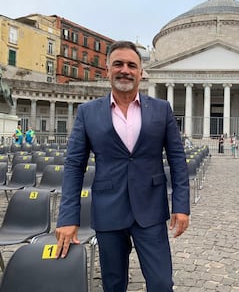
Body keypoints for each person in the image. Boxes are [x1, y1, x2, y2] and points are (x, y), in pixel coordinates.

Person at [55, 41, 190, 292]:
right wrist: (67, 217)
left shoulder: (162, 109)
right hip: (108, 209)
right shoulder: (88, 112)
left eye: (131, 65)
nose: (124, 70)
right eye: (118, 64)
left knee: (161, 283)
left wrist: (181, 206)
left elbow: (177, 160)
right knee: (113, 284)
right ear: (107, 70)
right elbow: (74, 165)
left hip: (150, 209)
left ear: (141, 73)